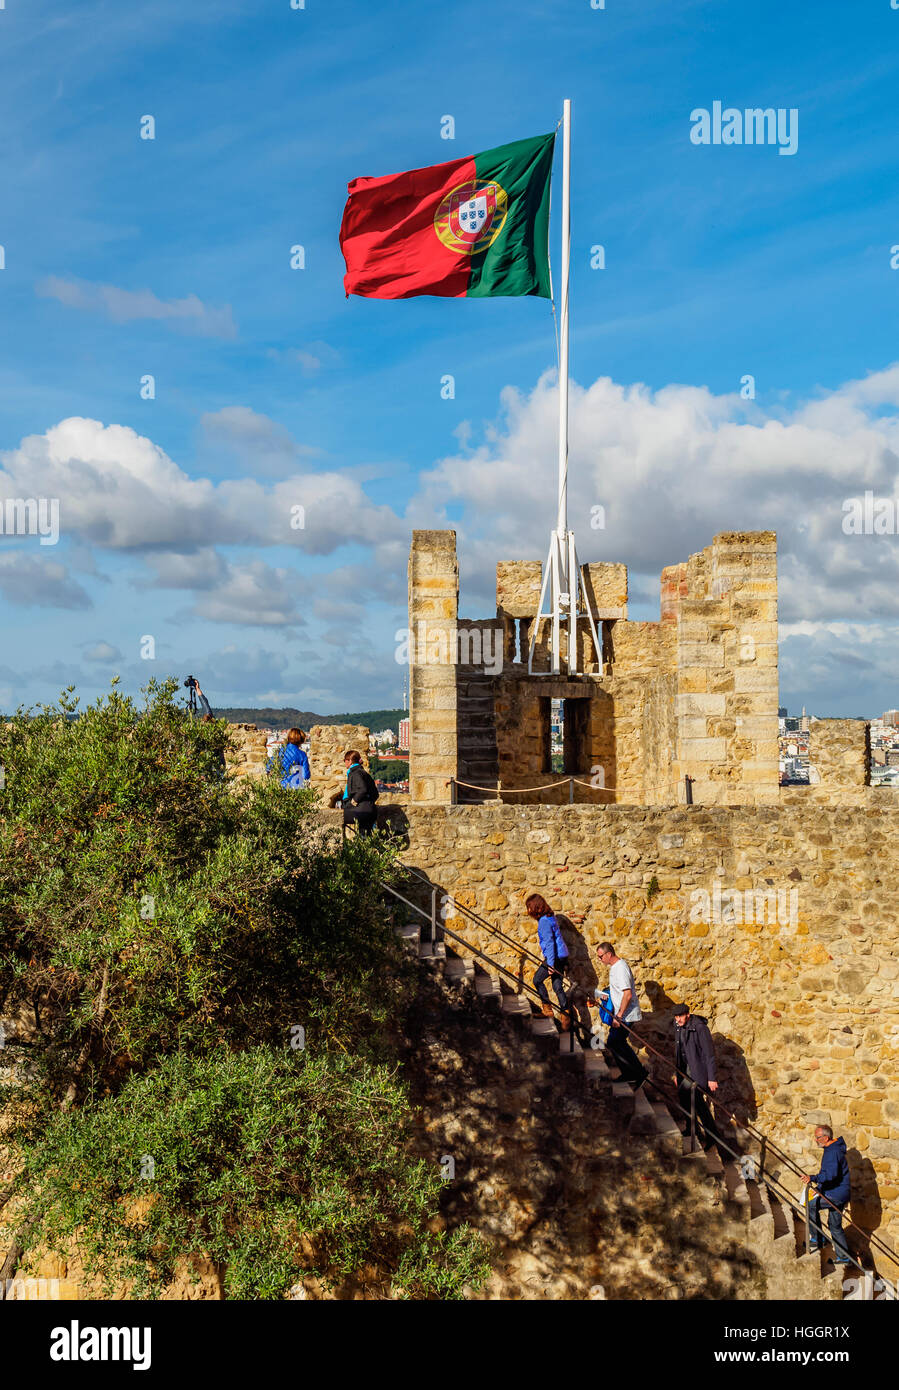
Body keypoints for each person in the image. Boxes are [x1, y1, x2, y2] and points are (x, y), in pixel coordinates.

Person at [672, 1004, 727, 1159]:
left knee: (693, 1098)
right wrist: (677, 1074)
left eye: (680, 1016)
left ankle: (708, 1135)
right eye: (676, 1017)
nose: (678, 1019)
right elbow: (679, 1053)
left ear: (687, 1014)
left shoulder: (699, 1028)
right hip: (686, 1070)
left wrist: (711, 1078)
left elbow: (709, 1054)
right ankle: (696, 1129)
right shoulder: (678, 1027)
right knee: (688, 1097)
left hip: (699, 1071)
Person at [595, 942, 647, 1088]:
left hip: (626, 1015)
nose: (600, 959)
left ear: (608, 954)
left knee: (614, 1041)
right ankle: (630, 1073)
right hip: (622, 1013)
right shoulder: (614, 968)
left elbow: (628, 994)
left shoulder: (621, 968)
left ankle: (638, 1073)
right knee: (616, 1042)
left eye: (600, 956)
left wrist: (619, 1015)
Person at [802, 1125, 852, 1266]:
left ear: (826, 1137)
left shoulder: (832, 1152)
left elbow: (830, 1175)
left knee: (810, 1205)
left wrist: (812, 1178)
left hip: (835, 1194)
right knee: (834, 1226)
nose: (815, 1140)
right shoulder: (834, 1148)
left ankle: (818, 1239)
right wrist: (819, 1189)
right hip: (840, 1192)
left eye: (817, 1137)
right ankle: (844, 1258)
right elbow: (832, 1174)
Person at [525, 894, 570, 1029]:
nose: (528, 911)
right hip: (561, 956)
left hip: (554, 958)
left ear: (535, 907)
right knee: (557, 987)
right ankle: (566, 1015)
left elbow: (550, 944)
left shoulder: (544, 921)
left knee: (537, 980)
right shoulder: (551, 917)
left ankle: (547, 1009)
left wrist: (550, 964)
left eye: (529, 907)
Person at [341, 750, 378, 835]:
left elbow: (363, 789)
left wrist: (353, 802)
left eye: (345, 760)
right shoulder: (364, 773)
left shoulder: (355, 773)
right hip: (369, 811)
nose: (344, 763)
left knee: (335, 817)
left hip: (360, 811)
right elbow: (375, 794)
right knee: (365, 837)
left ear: (350, 761)